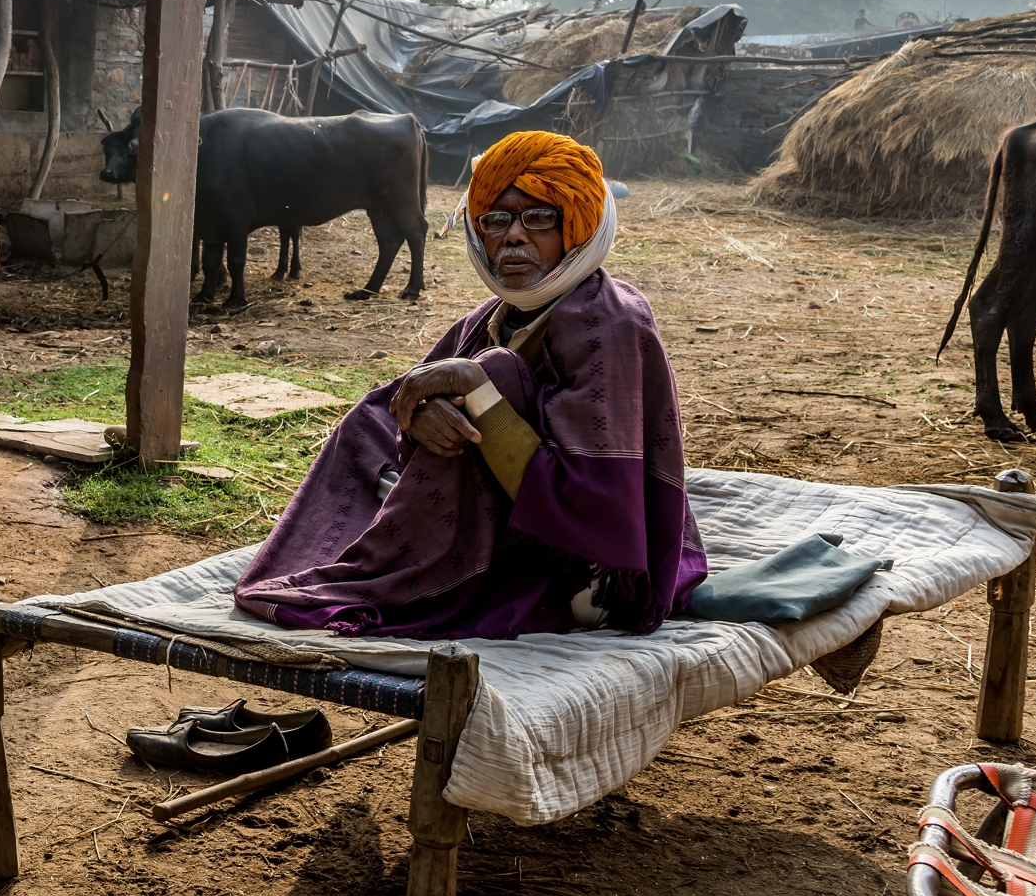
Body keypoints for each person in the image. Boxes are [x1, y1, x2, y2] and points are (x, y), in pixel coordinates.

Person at [233, 131, 706, 638]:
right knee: (367, 420)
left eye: (540, 218)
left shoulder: (611, 325)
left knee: (494, 372)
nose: (514, 237)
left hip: (586, 569)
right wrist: (421, 413)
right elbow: (405, 398)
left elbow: (592, 506)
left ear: (578, 228)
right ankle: (423, 528)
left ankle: (431, 551)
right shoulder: (493, 316)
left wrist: (476, 389)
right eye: (497, 220)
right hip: (507, 509)